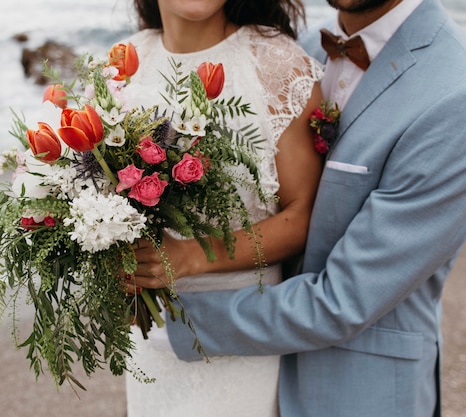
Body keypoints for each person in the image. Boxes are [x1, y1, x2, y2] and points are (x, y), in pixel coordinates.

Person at [132, 0, 466, 416]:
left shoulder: (454, 94)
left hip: (357, 390)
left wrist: (173, 322)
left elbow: (345, 299)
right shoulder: (300, 51)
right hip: (253, 369)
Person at [121, 0, 324, 416]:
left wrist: (191, 257)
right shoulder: (124, 63)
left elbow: (302, 215)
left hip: (243, 331)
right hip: (147, 342)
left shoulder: (276, 64)